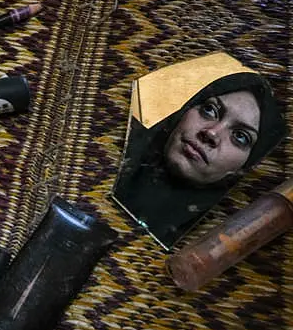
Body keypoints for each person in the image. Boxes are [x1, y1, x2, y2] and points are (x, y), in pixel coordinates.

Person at [113, 71, 286, 248]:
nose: (211, 133)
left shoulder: (207, 248)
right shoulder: (111, 150)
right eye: (210, 110)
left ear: (245, 166)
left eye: (240, 137)